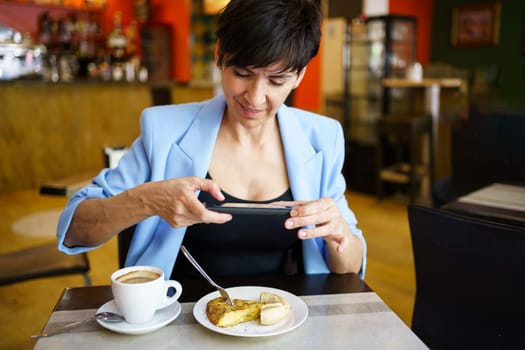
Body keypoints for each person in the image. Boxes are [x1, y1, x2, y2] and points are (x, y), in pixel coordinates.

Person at [57, 0, 367, 279]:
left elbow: (350, 265)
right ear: (220, 56)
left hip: (284, 321)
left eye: (276, 80)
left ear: (299, 75)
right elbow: (74, 230)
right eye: (243, 73)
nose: (255, 98)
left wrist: (337, 230)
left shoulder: (321, 139)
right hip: (181, 319)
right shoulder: (165, 130)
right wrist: (147, 201)